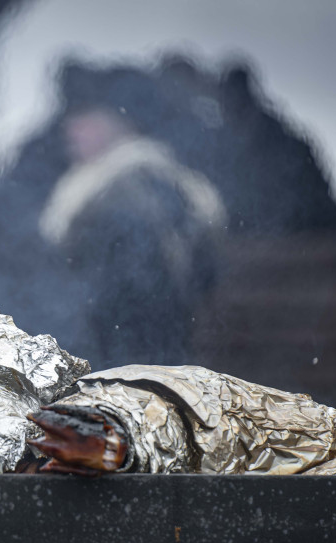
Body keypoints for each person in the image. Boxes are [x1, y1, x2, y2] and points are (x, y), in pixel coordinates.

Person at [39, 102, 226, 369]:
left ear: (115, 126)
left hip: (131, 346)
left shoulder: (125, 188)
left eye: (85, 121)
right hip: (148, 340)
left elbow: (128, 285)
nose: (72, 132)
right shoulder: (127, 183)